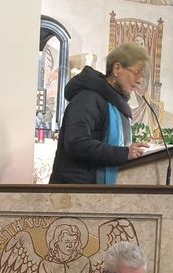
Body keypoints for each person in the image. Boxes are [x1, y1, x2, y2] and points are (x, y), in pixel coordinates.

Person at [47, 43, 151, 184]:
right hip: (76, 188)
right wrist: (124, 153)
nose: (139, 80)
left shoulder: (116, 103)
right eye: (136, 72)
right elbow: (76, 143)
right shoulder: (88, 98)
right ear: (117, 69)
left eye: (142, 75)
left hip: (96, 189)